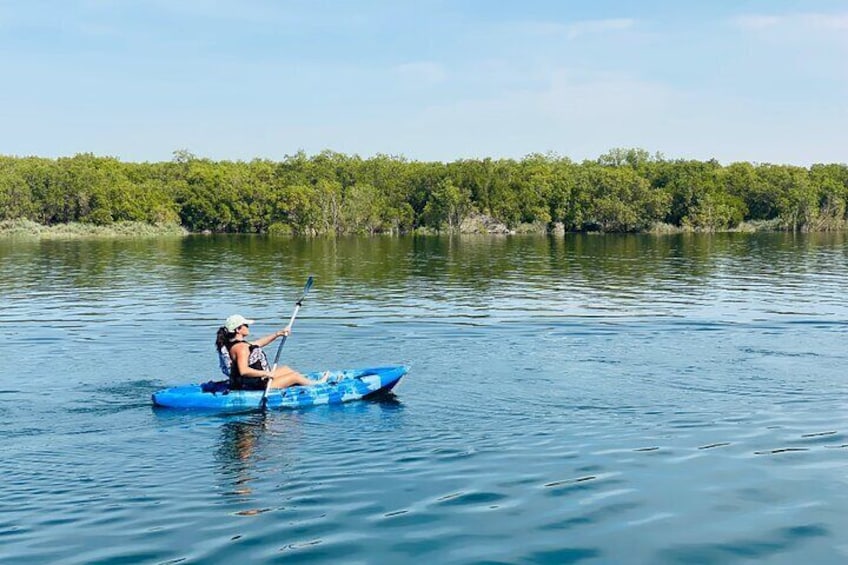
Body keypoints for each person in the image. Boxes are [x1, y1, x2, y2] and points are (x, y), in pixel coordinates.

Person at [215, 314, 328, 390]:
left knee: (286, 369)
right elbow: (244, 371)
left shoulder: (235, 344)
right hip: (256, 384)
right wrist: (267, 374)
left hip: (249, 381)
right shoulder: (241, 348)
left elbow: (257, 343)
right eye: (245, 325)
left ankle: (303, 382)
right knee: (295, 376)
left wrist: (278, 334)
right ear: (238, 329)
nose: (248, 327)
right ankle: (317, 386)